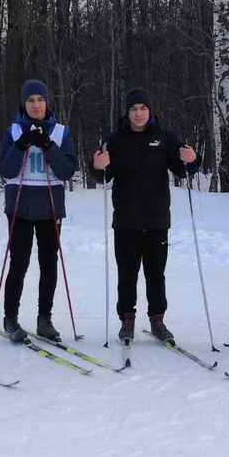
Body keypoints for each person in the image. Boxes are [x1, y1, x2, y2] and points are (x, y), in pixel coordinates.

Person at [92, 88, 199, 343]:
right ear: (127, 112)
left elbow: (182, 170)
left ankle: (157, 319)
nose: (138, 113)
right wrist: (97, 166)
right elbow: (103, 175)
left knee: (155, 274)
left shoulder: (165, 138)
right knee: (126, 274)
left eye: (143, 108)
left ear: (150, 111)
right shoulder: (115, 140)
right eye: (133, 109)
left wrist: (193, 160)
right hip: (126, 220)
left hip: (156, 220)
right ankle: (127, 318)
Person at [0, 79, 78, 342]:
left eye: (40, 99)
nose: (36, 105)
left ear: (47, 102)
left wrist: (47, 146)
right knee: (18, 263)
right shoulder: (13, 131)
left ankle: (45, 319)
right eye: (30, 100)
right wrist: (21, 145)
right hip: (19, 206)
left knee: (48, 263)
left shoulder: (61, 132)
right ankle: (10, 318)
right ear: (24, 103)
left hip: (50, 206)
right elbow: (5, 170)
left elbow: (67, 171)